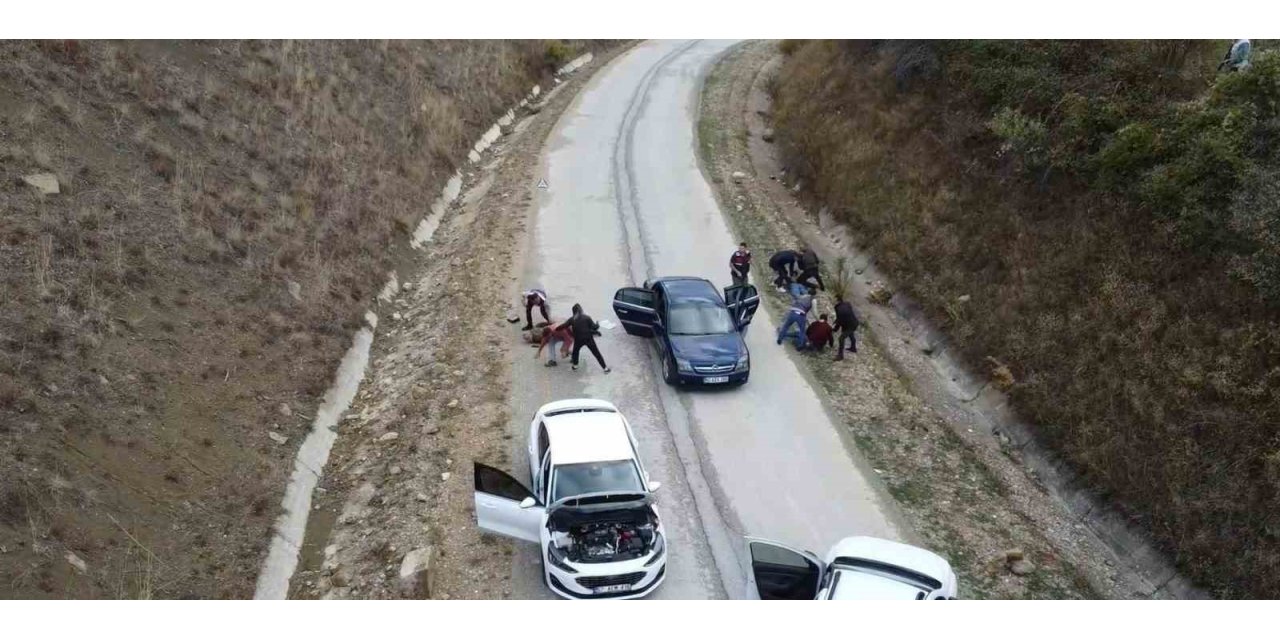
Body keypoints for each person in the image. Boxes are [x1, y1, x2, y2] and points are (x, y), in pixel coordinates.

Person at [564, 303, 611, 373]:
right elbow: (595, 327)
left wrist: (555, 328)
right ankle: (605, 368)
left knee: (575, 352)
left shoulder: (572, 319)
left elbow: (564, 325)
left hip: (578, 339)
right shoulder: (587, 317)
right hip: (588, 338)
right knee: (596, 353)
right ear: (581, 310)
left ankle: (575, 366)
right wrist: (598, 324)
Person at [776, 283, 813, 349]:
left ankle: (780, 339)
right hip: (801, 314)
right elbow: (809, 310)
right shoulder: (811, 300)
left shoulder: (801, 296)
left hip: (793, 312)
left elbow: (794, 303)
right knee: (802, 330)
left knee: (786, 326)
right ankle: (800, 345)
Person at [833, 294, 860, 361]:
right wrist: (837, 321)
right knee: (851, 334)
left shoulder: (838, 309)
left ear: (837, 300)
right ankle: (853, 348)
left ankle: (840, 355)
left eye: (834, 300)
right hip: (854, 322)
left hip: (849, 325)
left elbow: (839, 320)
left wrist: (835, 329)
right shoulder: (847, 304)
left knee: (841, 338)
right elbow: (843, 316)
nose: (833, 301)